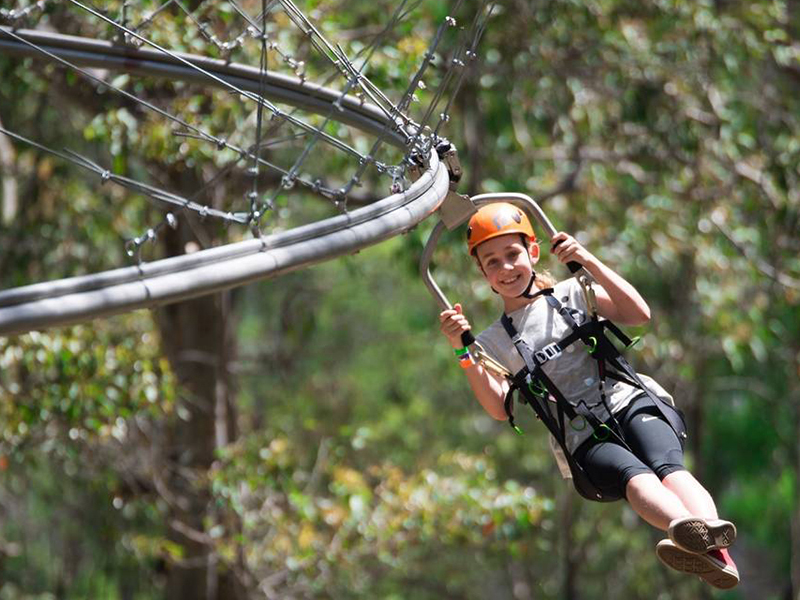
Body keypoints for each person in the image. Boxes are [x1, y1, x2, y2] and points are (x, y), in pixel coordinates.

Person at [438, 202, 739, 589]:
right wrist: (462, 350)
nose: (506, 268)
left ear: (532, 251)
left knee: (668, 467)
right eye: (492, 262)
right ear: (483, 273)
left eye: (512, 255)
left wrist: (587, 260)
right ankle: (692, 535)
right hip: (581, 432)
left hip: (626, 398)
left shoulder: (574, 292)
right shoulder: (492, 343)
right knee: (634, 477)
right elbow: (498, 408)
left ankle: (711, 543)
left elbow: (638, 313)